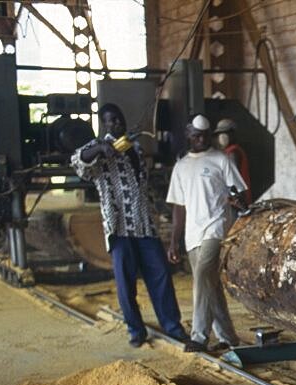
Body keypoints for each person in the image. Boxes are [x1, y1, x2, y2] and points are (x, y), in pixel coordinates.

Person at [71, 103, 187, 347]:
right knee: (126, 282)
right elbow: (78, 162)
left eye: (118, 119)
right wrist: (102, 148)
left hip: (144, 225)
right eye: (110, 121)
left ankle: (173, 327)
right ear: (104, 125)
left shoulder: (134, 146)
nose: (115, 124)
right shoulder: (96, 148)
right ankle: (136, 331)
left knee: (161, 275)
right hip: (119, 227)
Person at [166, 114, 246, 354]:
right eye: (196, 135)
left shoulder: (221, 159)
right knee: (210, 285)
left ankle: (199, 336)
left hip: (217, 228)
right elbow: (179, 207)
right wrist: (174, 242)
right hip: (192, 234)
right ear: (188, 135)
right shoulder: (181, 166)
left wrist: (238, 202)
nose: (201, 139)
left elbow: (239, 191)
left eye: (205, 135)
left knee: (202, 276)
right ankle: (229, 337)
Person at [214, 118, 252, 207]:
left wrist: (234, 200)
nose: (222, 136)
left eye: (225, 133)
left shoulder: (233, 152)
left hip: (237, 202)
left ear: (232, 134)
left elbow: (232, 182)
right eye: (220, 134)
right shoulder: (227, 152)